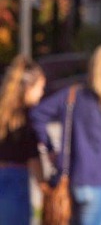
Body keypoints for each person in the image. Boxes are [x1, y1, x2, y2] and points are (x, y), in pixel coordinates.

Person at [31, 44, 101, 225]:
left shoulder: (73, 95)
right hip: (97, 180)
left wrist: (50, 149)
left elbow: (37, 114)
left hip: (70, 178)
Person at [0, 55, 46, 225]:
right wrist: (44, 187)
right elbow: (33, 156)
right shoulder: (26, 117)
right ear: (28, 88)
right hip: (15, 183)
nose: (42, 93)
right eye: (40, 87)